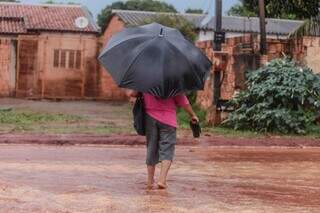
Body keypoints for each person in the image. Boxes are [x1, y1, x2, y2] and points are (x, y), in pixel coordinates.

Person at [128, 91, 199, 190]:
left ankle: (149, 181)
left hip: (150, 119)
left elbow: (132, 94)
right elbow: (183, 101)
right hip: (168, 120)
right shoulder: (173, 83)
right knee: (167, 148)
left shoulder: (146, 81)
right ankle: (162, 179)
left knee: (151, 147)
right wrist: (192, 115)